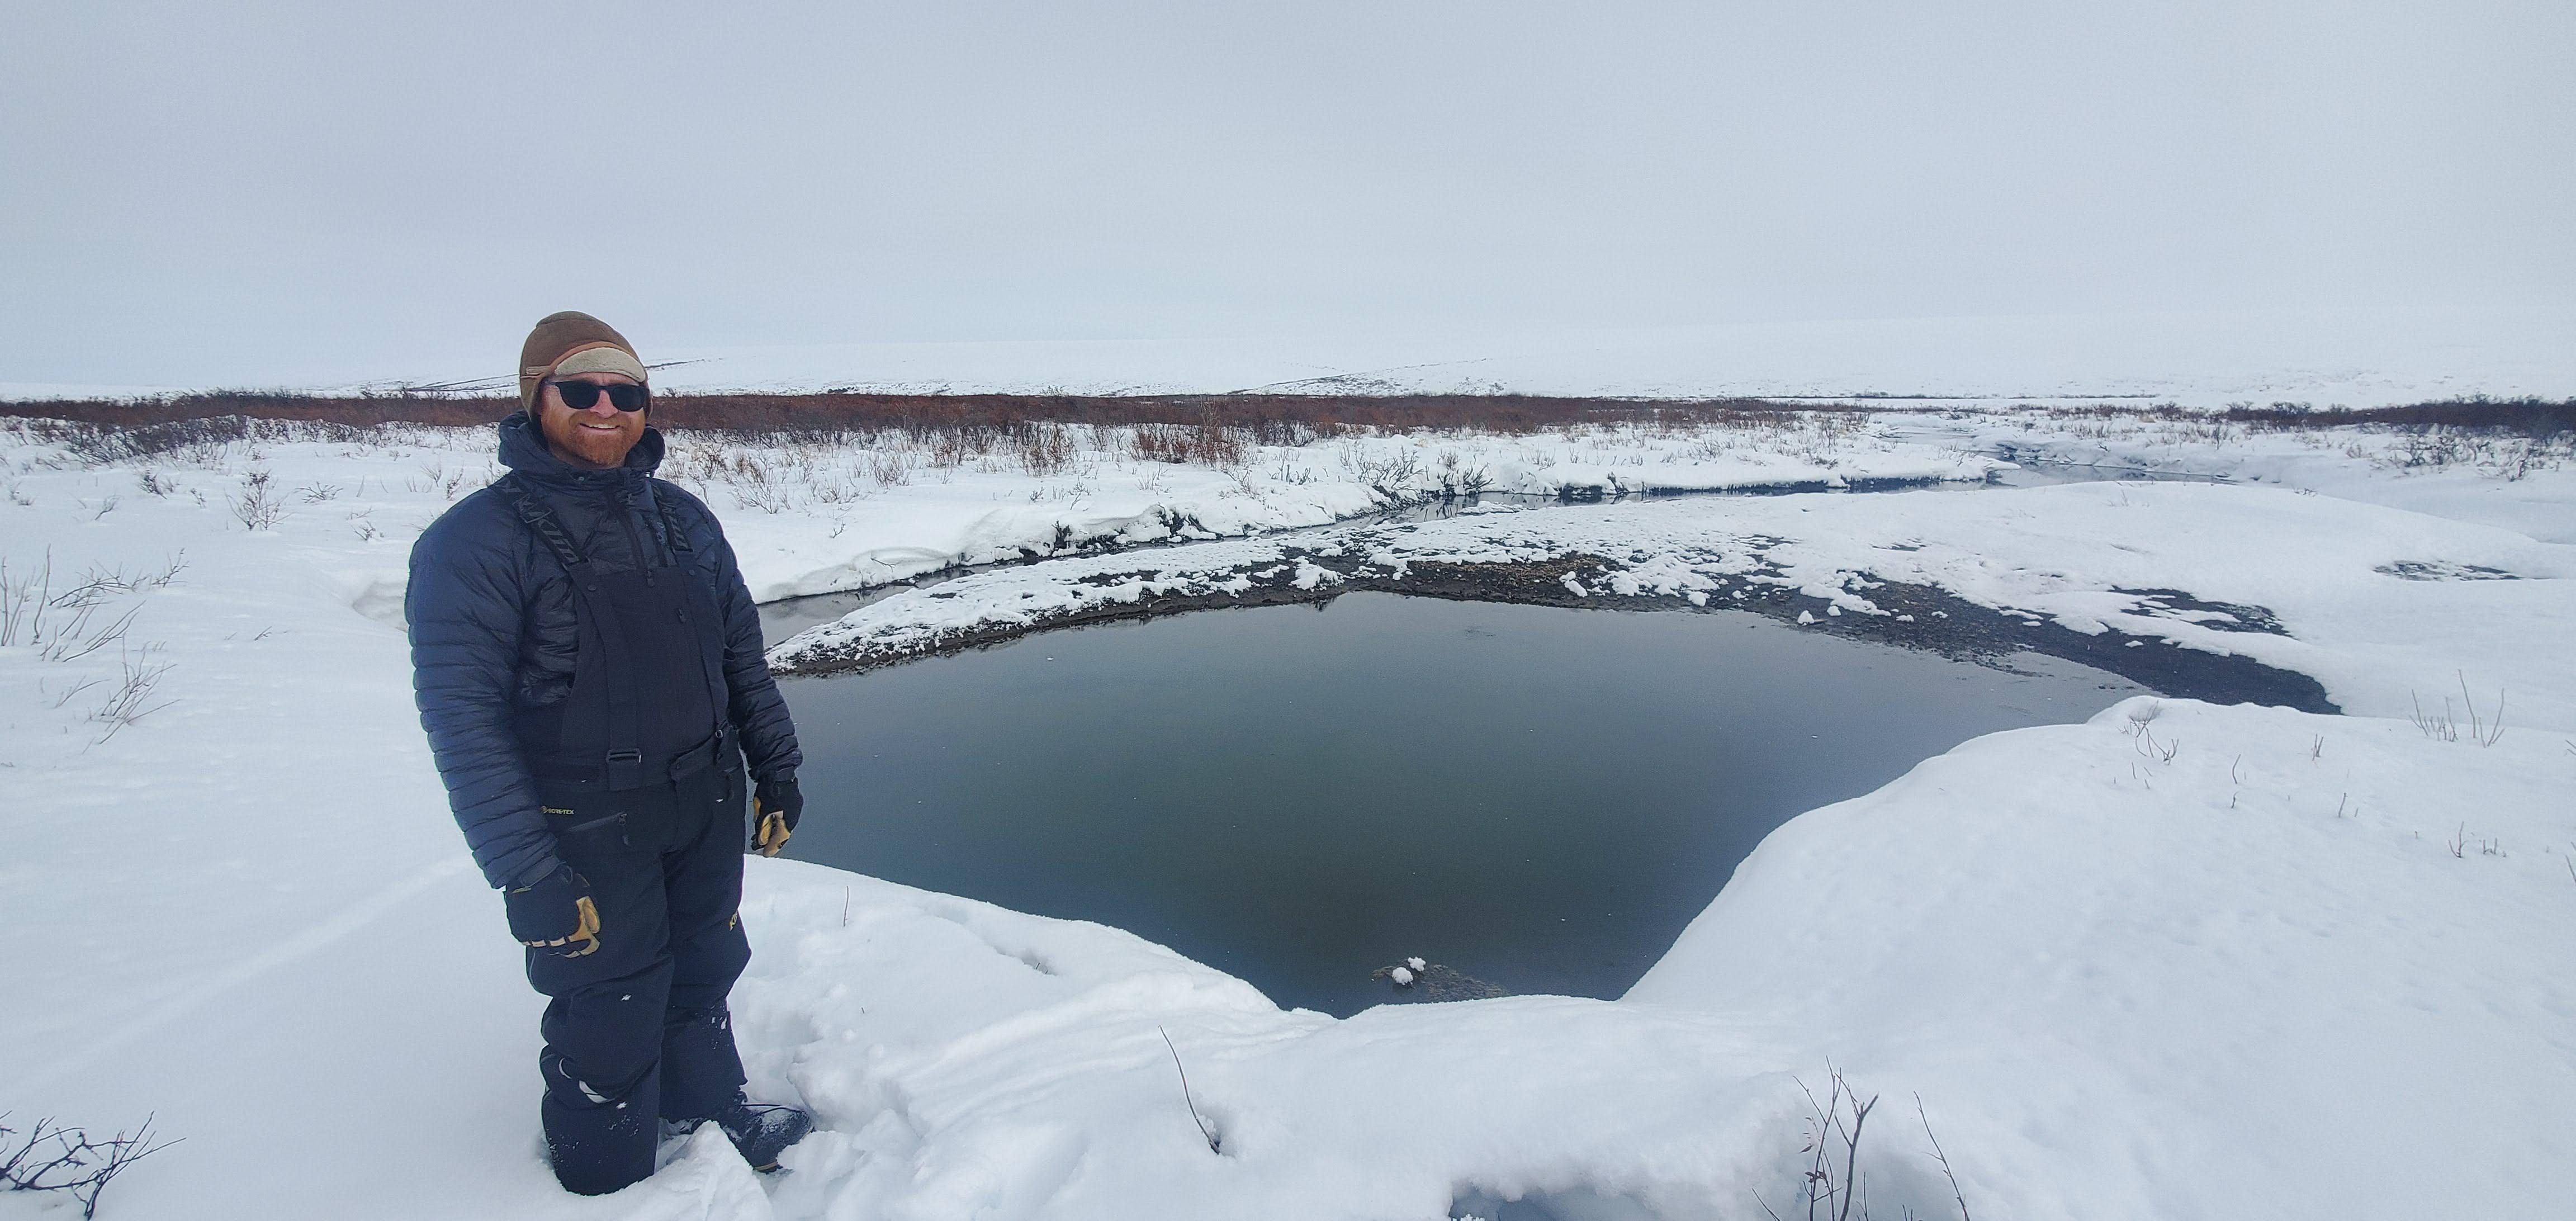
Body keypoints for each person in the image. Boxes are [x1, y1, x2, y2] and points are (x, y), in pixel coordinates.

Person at [405, 311, 814, 1194]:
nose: (605, 408)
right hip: (582, 819)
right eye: (580, 388)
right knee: (610, 999)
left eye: (625, 392)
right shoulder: (475, 543)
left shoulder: (683, 519)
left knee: (705, 963)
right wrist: (526, 871)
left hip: (702, 796)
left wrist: (776, 767)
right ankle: (608, 1180)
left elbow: (740, 654)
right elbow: (462, 721)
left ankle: (708, 1110)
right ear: (534, 399)